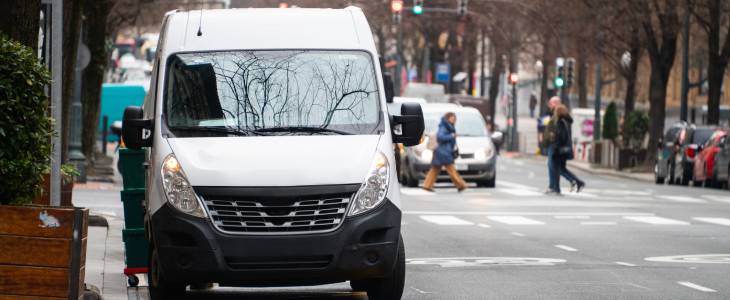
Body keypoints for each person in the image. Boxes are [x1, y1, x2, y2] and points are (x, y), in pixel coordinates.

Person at [423, 112, 467, 192]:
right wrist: (452, 136)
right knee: (451, 169)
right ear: (447, 118)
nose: (453, 120)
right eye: (452, 118)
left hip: (440, 151)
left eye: (454, 118)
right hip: (443, 152)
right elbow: (440, 137)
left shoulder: (447, 126)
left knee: (435, 169)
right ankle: (460, 185)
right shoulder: (444, 126)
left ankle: (427, 185)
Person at [547, 104, 586, 194]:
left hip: (559, 150)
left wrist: (555, 146)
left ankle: (557, 188)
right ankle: (578, 182)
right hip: (563, 150)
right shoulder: (565, 121)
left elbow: (561, 137)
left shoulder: (561, 123)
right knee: (561, 169)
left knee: (556, 169)